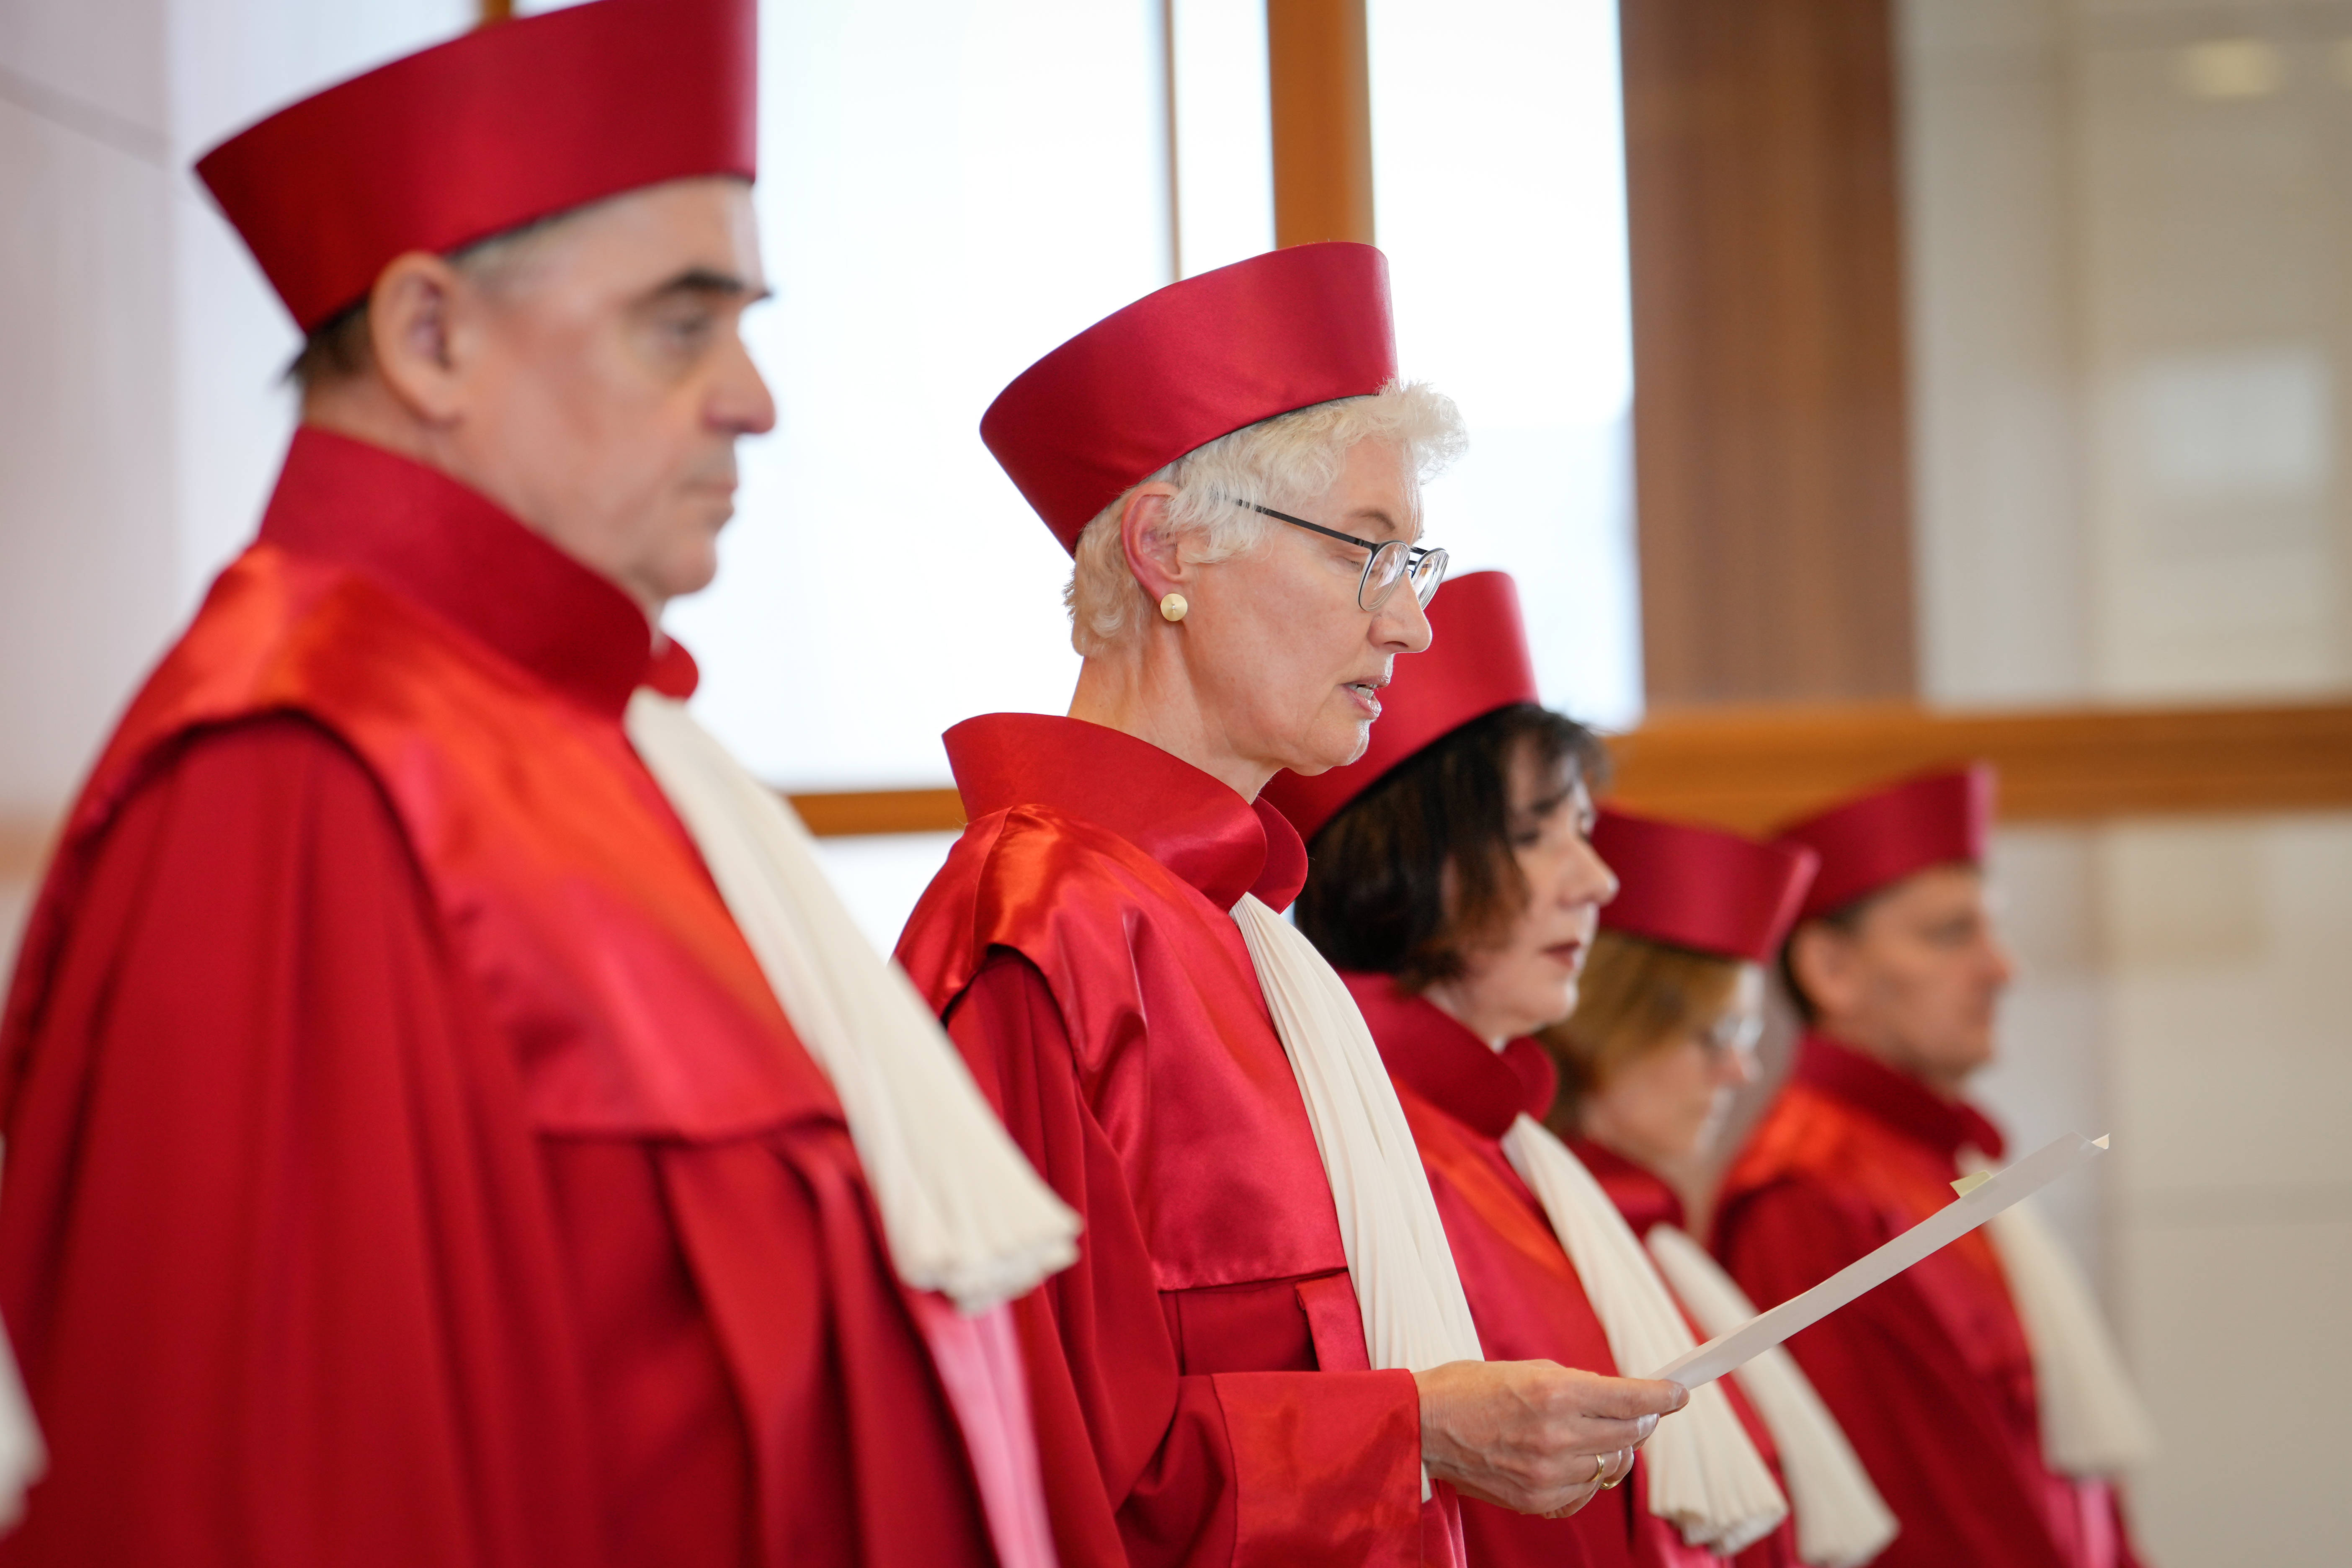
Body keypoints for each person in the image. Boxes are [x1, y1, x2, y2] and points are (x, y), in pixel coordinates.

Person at [0, 3, 1076, 1563]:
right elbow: (268, 1496)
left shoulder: (591, 743)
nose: (753, 398)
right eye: (678, 323)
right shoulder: (297, 771)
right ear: (430, 336)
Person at [894, 248, 1686, 1568]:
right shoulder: (1044, 918)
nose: (1412, 628)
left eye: (1414, 561)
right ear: (1166, 549)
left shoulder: (1240, 928)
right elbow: (1032, 1462)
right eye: (1368, 556)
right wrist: (1414, 1433)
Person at [1271, 570, 1792, 1568]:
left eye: (1584, 831)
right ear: (1408, 861)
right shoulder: (1368, 1151)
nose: (1595, 881)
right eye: (1534, 834)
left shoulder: (1502, 1146)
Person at [1712, 768, 2154, 1568]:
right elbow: (1922, 1527)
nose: (2002, 969)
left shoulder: (1939, 1162)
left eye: (1993, 930)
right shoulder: (1809, 1197)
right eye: (1952, 935)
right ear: (1829, 970)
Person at [1542, 807, 1900, 1568]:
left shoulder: (1658, 1240)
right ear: (1610, 1027)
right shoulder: (1554, 1242)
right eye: (1717, 1036)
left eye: (1746, 1038)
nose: (1740, 1073)